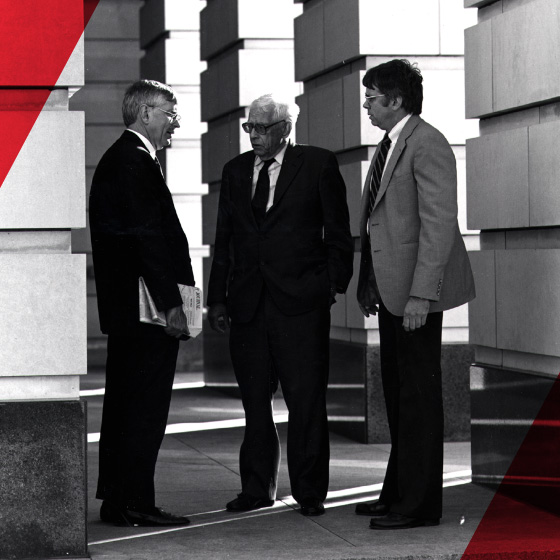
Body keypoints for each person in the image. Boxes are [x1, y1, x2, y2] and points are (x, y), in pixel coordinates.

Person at [207, 94, 353, 517]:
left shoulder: (318, 164)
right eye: (249, 127)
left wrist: (329, 287)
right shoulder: (234, 172)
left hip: (302, 305)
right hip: (248, 305)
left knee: (306, 402)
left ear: (285, 128)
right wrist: (217, 298)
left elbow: (339, 235)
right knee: (255, 402)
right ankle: (256, 488)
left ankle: (310, 492)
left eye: (262, 128)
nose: (253, 135)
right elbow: (225, 241)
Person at [355, 60, 475, 530]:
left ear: (396, 100)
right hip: (391, 293)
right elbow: (378, 225)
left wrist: (423, 296)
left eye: (371, 96)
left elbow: (438, 227)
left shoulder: (428, 143)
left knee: (418, 398)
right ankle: (398, 494)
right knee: (400, 395)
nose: (365, 103)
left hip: (415, 298)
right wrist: (369, 283)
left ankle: (419, 505)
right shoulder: (390, 145)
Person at [89, 79, 194, 527]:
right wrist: (173, 304)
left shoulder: (122, 159)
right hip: (146, 312)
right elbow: (148, 241)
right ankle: (132, 501)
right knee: (143, 409)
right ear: (146, 113)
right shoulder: (133, 162)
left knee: (126, 406)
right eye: (171, 114)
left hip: (131, 311)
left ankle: (120, 500)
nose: (176, 123)